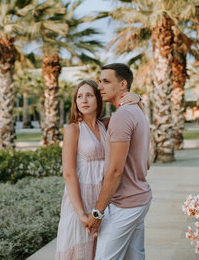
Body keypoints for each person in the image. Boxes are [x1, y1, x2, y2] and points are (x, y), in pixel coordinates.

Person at [55, 80, 141, 260]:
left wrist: (138, 98)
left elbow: (135, 116)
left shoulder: (106, 124)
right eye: (79, 96)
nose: (83, 100)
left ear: (98, 99)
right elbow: (68, 174)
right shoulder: (73, 129)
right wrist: (81, 214)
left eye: (89, 95)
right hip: (80, 202)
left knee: (100, 253)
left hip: (103, 201)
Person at [87, 63, 152, 260]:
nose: (100, 87)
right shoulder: (135, 110)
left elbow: (115, 170)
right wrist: (139, 98)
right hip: (139, 200)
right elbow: (146, 163)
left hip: (125, 205)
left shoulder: (122, 116)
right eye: (100, 81)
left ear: (123, 84)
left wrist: (97, 213)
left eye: (106, 81)